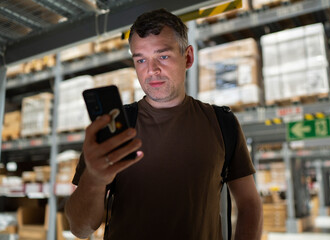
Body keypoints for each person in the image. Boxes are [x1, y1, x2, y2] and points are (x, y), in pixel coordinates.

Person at [65, 8, 263, 240]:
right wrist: (95, 180)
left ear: (188, 57)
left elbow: (249, 204)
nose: (152, 70)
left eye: (163, 56)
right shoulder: (113, 128)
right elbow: (81, 229)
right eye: (141, 59)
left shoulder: (222, 123)